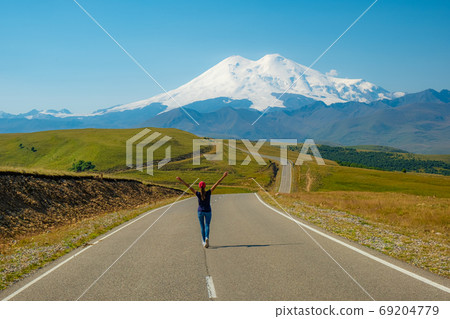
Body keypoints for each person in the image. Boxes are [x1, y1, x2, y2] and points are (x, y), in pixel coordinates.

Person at [176, 172, 228, 248]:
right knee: (207, 225)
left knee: (202, 226)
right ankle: (207, 237)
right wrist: (223, 176)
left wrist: (181, 180)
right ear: (205, 186)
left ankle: (204, 241)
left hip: (200, 211)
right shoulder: (208, 193)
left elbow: (189, 186)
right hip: (208, 211)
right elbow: (216, 184)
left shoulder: (197, 194)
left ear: (199, 187)